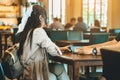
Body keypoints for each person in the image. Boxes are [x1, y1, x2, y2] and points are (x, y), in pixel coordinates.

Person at [16, 5, 69, 80]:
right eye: (45, 18)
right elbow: (54, 52)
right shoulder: (38, 31)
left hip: (27, 69)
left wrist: (60, 48)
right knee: (54, 76)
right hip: (33, 73)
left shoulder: (27, 31)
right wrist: (59, 50)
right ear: (40, 17)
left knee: (59, 68)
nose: (46, 21)